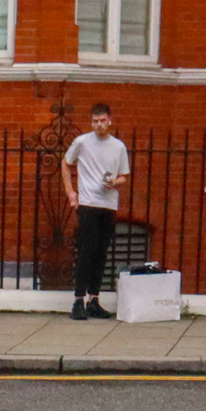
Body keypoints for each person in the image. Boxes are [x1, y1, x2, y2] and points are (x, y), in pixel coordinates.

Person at [60, 101, 131, 321]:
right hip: (88, 203)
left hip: (108, 204)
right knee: (88, 251)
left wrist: (115, 183)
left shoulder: (118, 146)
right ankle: (78, 300)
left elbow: (124, 176)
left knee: (101, 253)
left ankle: (93, 299)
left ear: (110, 120)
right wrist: (71, 192)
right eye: (95, 121)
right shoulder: (82, 142)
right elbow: (65, 163)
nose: (99, 125)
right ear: (91, 122)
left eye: (102, 121)